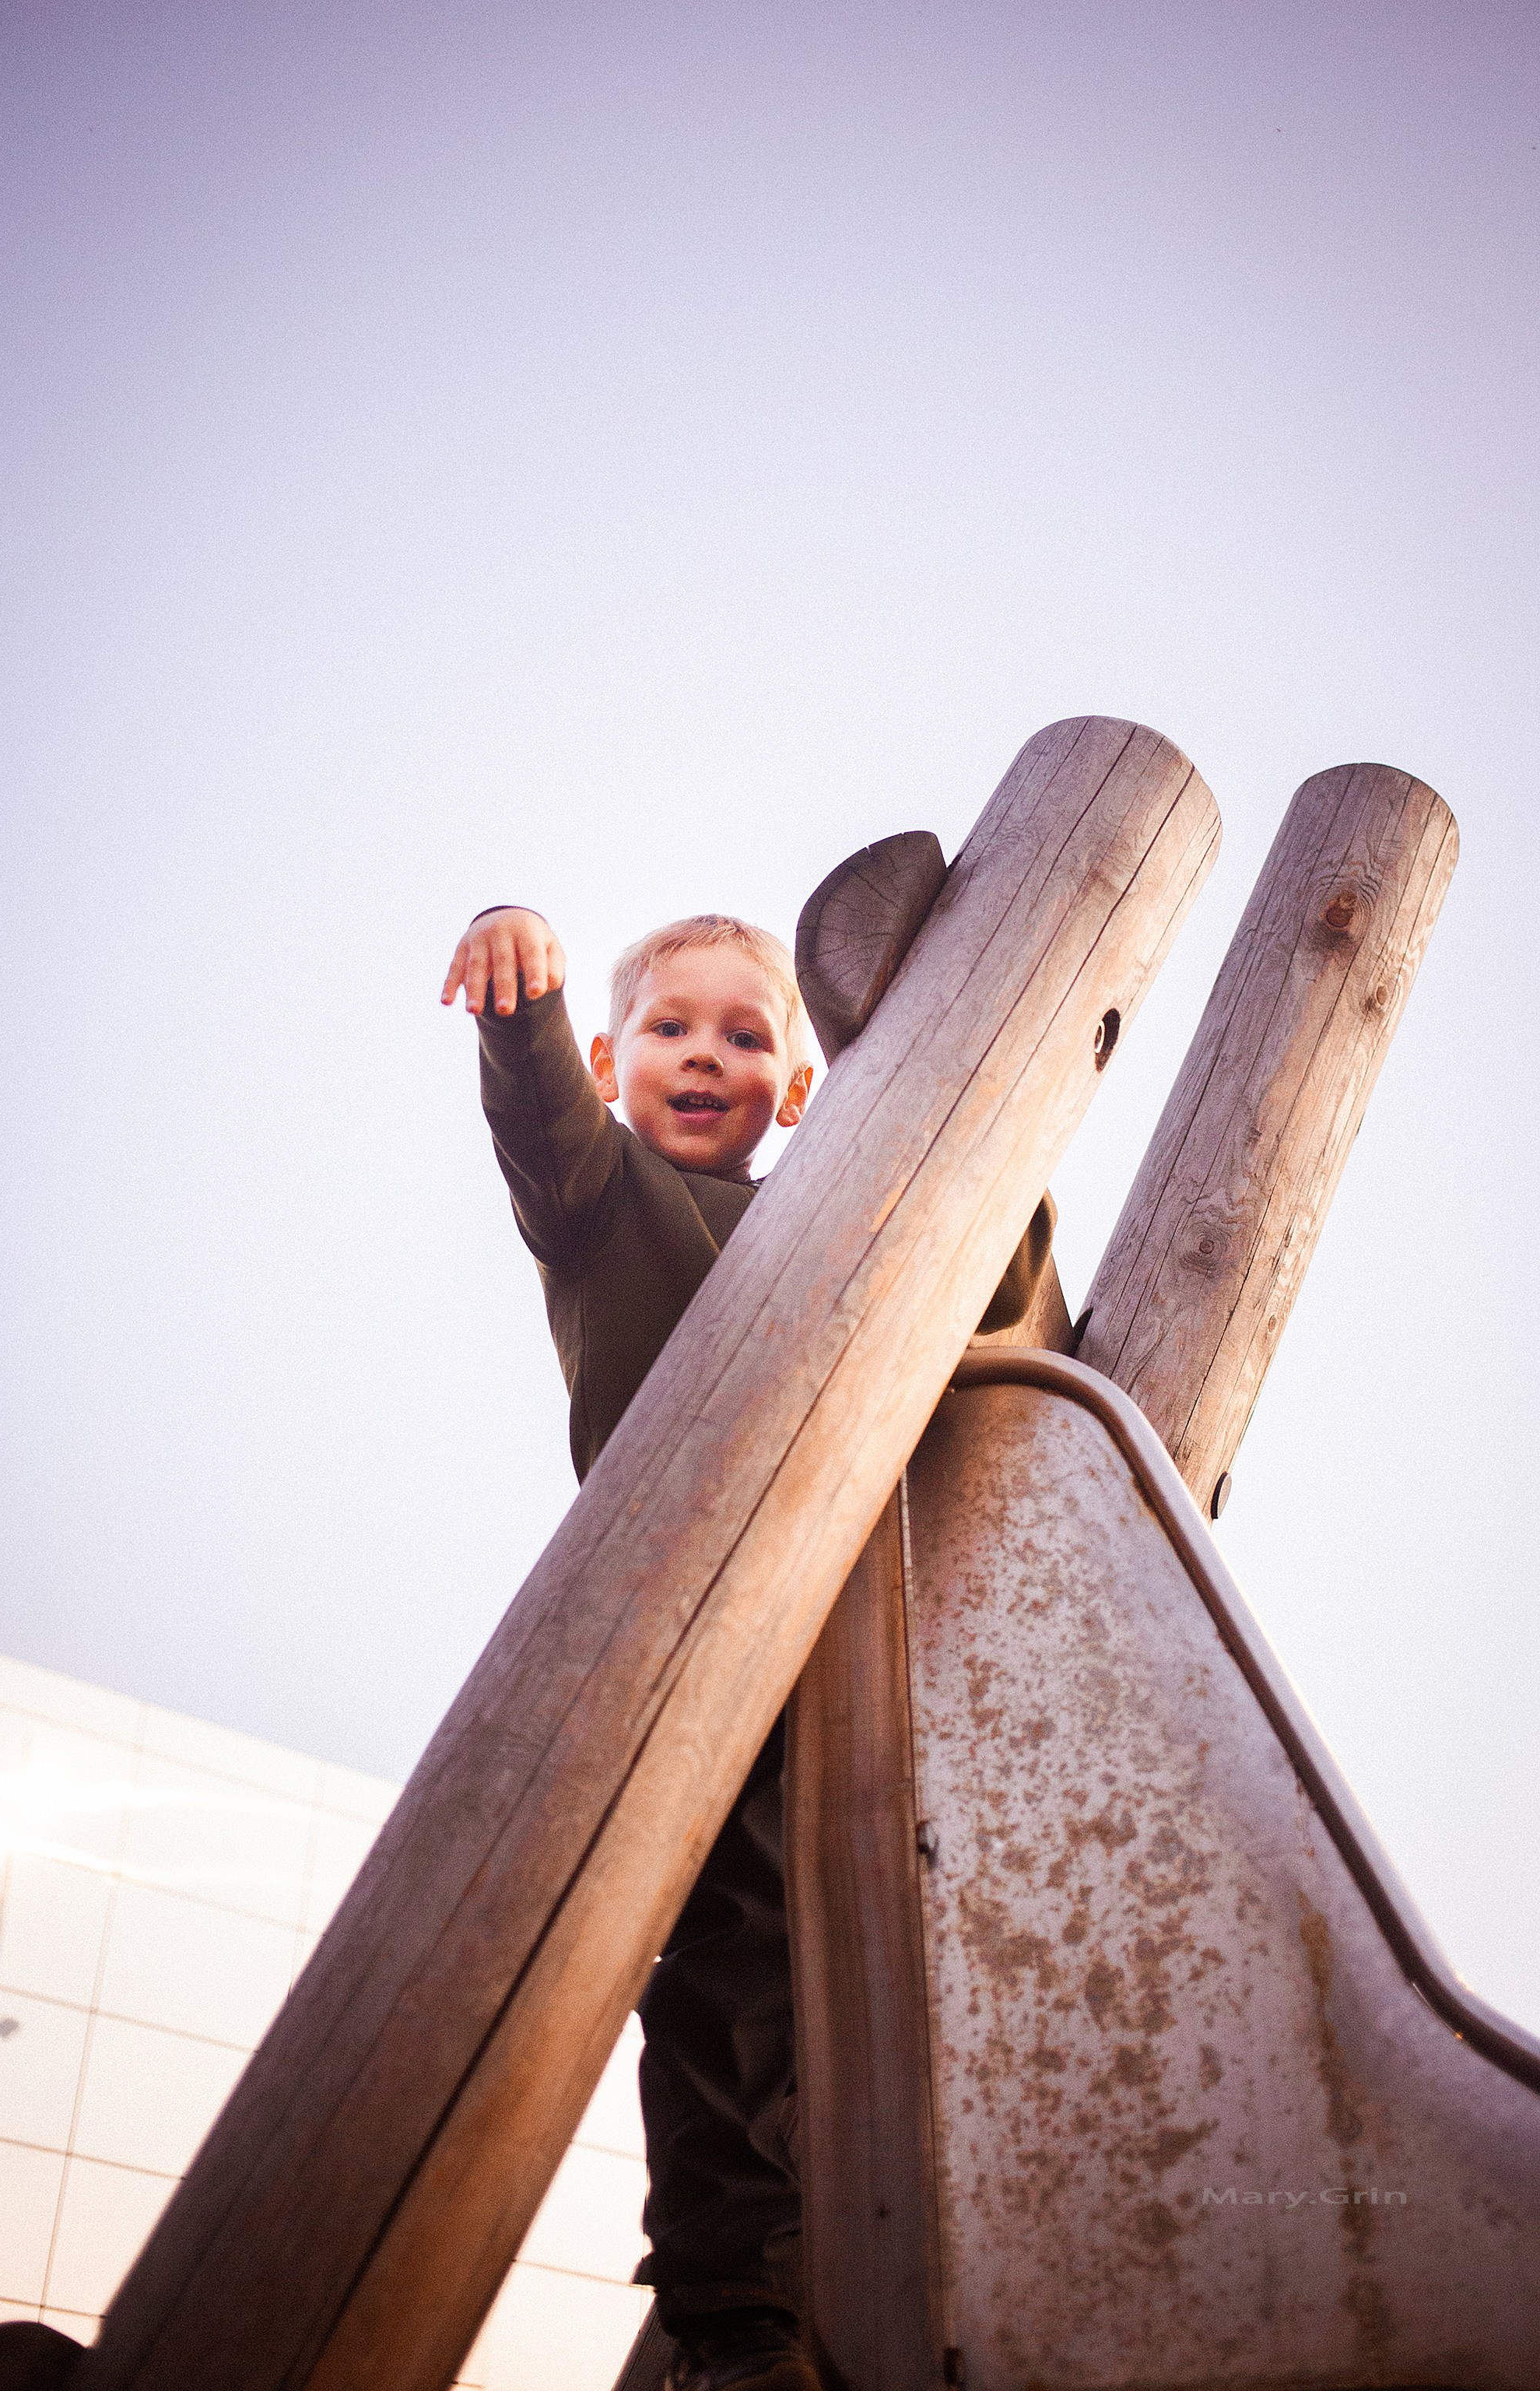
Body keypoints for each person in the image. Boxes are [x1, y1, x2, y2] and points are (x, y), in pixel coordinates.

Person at [442, 901, 1051, 2391]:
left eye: (745, 1034)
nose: (702, 1053)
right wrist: (519, 997)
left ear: (797, 1088)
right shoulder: (604, 1198)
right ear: (614, 1056)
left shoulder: (826, 1219)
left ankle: (888, 2286)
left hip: (847, 1651)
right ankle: (731, 2318)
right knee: (721, 1980)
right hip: (677, 1637)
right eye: (668, 1028)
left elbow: (995, 1308)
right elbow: (543, 1130)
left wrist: (958, 1136)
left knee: (870, 1987)